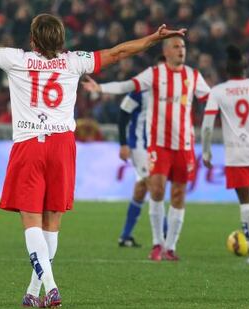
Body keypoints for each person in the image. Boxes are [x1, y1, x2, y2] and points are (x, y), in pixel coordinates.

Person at [0, 8, 186, 308]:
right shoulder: (75, 62)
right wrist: (155, 38)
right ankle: (32, 291)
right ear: (62, 39)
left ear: (33, 40)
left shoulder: (17, 60)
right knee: (52, 223)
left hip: (30, 144)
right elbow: (119, 52)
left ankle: (51, 287)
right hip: (63, 146)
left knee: (32, 223)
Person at [82, 35, 210, 261]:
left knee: (178, 194)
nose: (181, 50)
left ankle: (170, 247)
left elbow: (211, 100)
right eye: (176, 46)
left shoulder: (193, 76)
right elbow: (127, 85)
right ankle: (157, 244)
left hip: (184, 145)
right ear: (167, 51)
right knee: (156, 190)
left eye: (183, 46)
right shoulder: (154, 75)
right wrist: (100, 87)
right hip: (157, 145)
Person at [201, 45, 249, 264]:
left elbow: (207, 127)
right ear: (245, 69)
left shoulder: (218, 91)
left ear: (227, 72)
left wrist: (206, 152)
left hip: (236, 155)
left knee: (246, 203)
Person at [117, 56, 166, 248]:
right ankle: (166, 236)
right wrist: (123, 144)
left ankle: (125, 236)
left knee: (141, 189)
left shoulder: (170, 92)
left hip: (157, 146)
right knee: (155, 188)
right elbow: (122, 115)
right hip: (139, 146)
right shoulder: (140, 90)